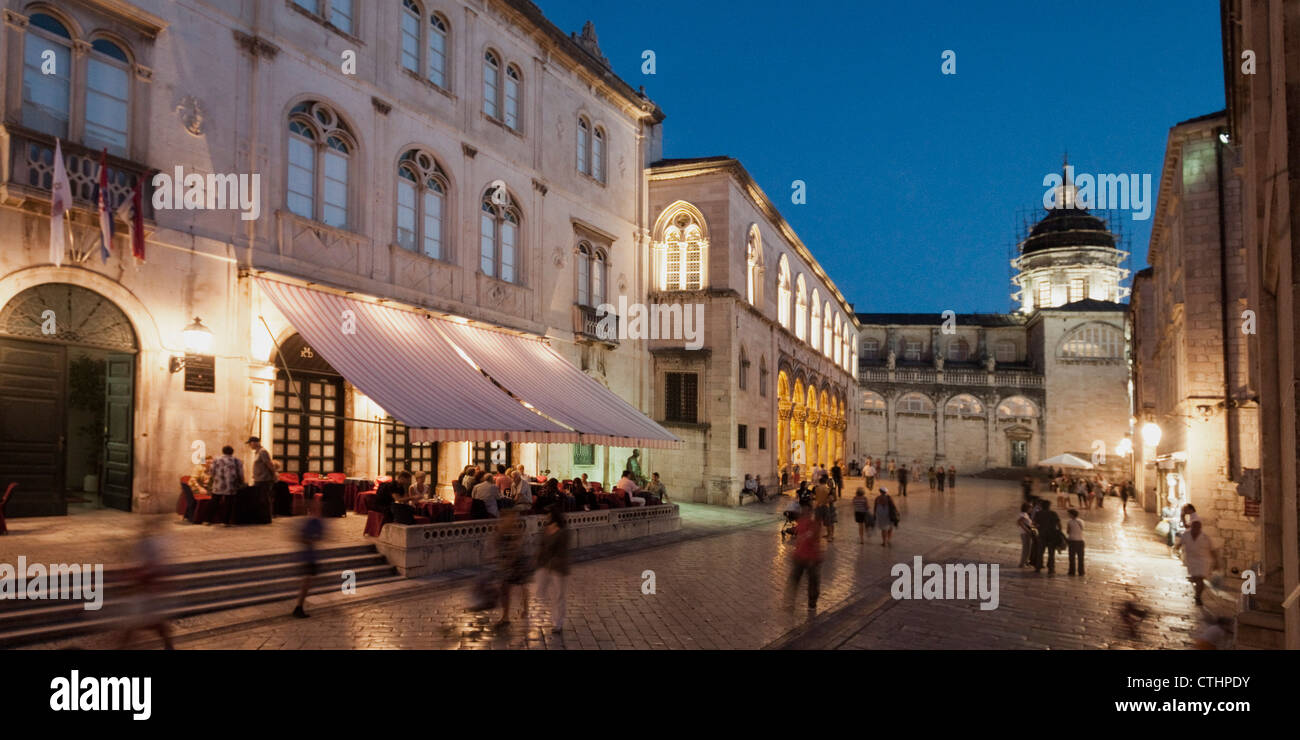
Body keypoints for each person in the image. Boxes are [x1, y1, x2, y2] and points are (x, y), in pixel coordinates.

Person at [493, 507, 532, 627]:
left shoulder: (515, 531)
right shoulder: (501, 530)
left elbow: (517, 546)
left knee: (521, 587)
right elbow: (495, 544)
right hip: (506, 563)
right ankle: (505, 616)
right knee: (505, 589)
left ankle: (525, 608)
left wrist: (510, 559)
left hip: (517, 563)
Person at [535, 507, 570, 634]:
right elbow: (541, 546)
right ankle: (550, 616)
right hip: (545, 565)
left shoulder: (563, 532)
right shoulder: (545, 530)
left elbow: (561, 550)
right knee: (542, 592)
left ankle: (558, 622)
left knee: (559, 595)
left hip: (558, 567)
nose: (546, 518)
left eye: (548, 515)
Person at [786, 502, 824, 610]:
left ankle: (812, 604)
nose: (805, 512)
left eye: (807, 511)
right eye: (804, 510)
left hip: (811, 558)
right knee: (795, 580)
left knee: (812, 581)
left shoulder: (814, 524)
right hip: (800, 556)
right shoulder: (802, 522)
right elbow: (799, 538)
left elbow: (812, 538)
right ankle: (791, 602)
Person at [292, 497, 324, 618]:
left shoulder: (314, 521)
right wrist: (311, 540)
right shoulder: (312, 522)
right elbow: (303, 537)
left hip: (309, 555)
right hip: (308, 556)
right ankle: (298, 607)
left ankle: (299, 606)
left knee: (307, 581)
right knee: (306, 582)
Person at [1175, 517, 1217, 605]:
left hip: (1203, 561)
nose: (1195, 529)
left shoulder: (1205, 537)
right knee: (1196, 579)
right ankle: (1197, 593)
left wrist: (1216, 562)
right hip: (1191, 561)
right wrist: (1177, 547)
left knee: (1199, 579)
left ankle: (1198, 596)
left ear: (1200, 528)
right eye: (1193, 527)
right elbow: (1180, 543)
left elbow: (1212, 550)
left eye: (1197, 527)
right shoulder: (1186, 534)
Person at [209, 444, 245, 525]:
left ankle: (208, 520)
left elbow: (211, 471)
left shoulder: (216, 459)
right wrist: (241, 482)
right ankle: (225, 521)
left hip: (218, 484)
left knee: (214, 501)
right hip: (231, 485)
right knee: (228, 503)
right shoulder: (237, 460)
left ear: (223, 451)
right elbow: (240, 473)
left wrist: (215, 478)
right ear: (232, 452)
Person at [247, 436, 277, 510]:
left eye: (250, 443)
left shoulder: (262, 452)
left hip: (264, 479)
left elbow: (269, 464)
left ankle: (266, 516)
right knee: (259, 498)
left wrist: (274, 475)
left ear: (254, 443)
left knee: (264, 498)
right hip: (258, 479)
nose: (249, 446)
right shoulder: (257, 452)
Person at [1033, 499, 1062, 574]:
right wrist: (1058, 532)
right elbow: (1059, 524)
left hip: (1042, 535)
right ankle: (1051, 568)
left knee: (1040, 552)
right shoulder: (1053, 513)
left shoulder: (1038, 513)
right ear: (1049, 506)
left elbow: (1034, 524)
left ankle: (1038, 567)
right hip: (1052, 535)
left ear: (1042, 506)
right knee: (1051, 553)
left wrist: (1039, 528)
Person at [813, 475, 834, 542]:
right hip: (825, 506)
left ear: (819, 482)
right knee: (828, 523)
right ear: (825, 482)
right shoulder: (827, 489)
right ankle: (830, 536)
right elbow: (831, 499)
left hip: (818, 506)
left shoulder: (816, 488)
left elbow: (814, 497)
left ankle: (816, 536)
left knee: (817, 522)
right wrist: (825, 502)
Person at [1065, 508, 1085, 576]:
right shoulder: (1081, 521)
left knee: (1072, 557)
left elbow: (1068, 531)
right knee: (1080, 558)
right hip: (1080, 540)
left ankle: (1072, 571)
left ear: (1071, 515)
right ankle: (1081, 572)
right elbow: (1082, 529)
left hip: (1072, 540)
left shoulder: (1069, 522)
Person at [1017, 503, 1036, 567]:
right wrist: (1027, 530)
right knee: (1025, 549)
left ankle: (1025, 562)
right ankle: (1022, 563)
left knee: (1028, 549)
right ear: (1027, 508)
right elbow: (1019, 522)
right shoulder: (1023, 514)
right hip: (1025, 534)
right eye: (1030, 508)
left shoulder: (1026, 515)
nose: (1031, 509)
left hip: (1027, 534)